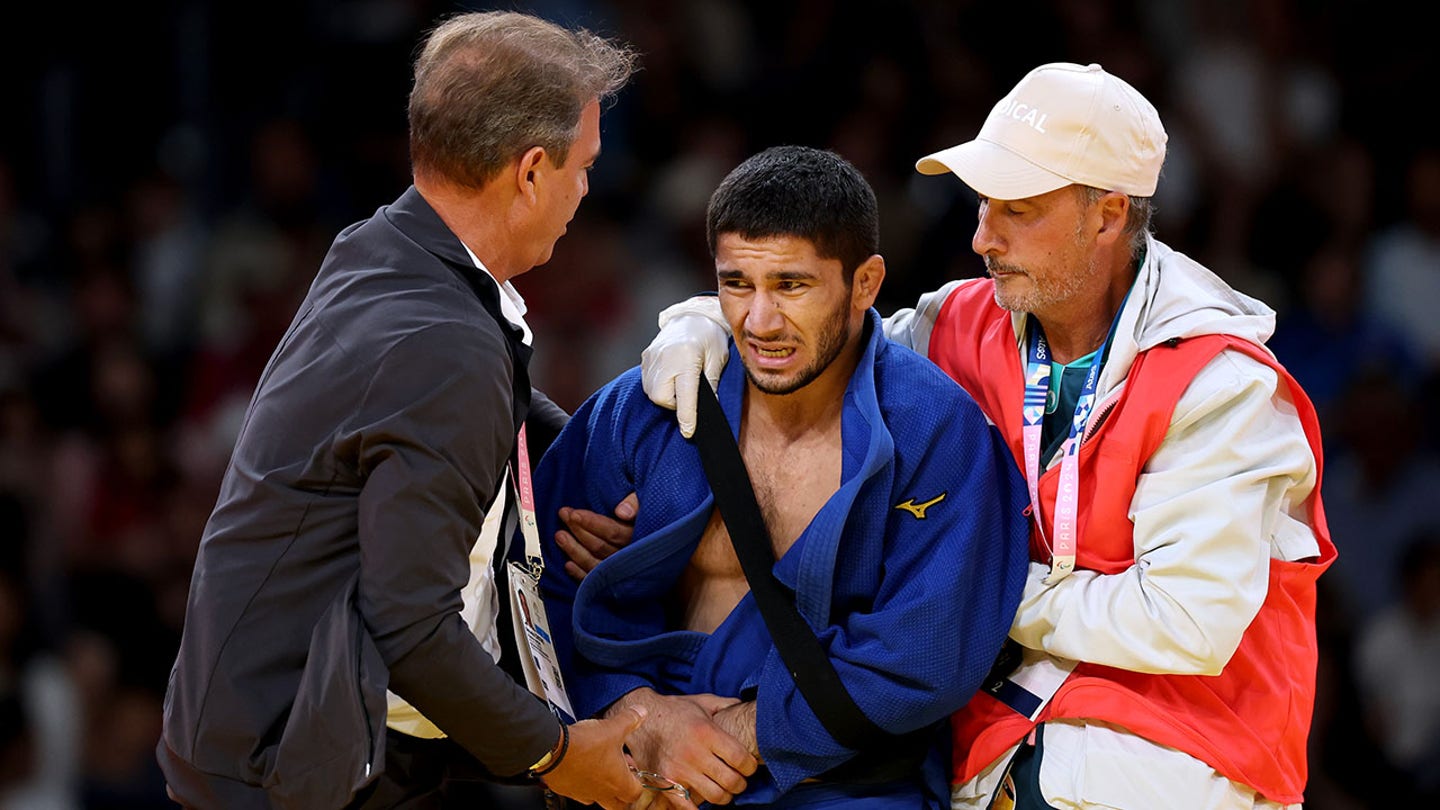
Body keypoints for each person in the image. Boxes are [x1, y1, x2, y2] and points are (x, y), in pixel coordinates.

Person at [636, 63, 1335, 809]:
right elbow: (819, 336)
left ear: (1107, 215)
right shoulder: (959, 324)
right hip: (990, 759)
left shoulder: (1221, 385)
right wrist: (696, 323)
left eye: (1018, 211)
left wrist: (956, 587)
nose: (981, 238)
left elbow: (1183, 622)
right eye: (982, 205)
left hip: (1176, 766)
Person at [157, 12, 649, 809]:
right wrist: (558, 758)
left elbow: (510, 411)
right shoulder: (443, 345)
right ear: (530, 172)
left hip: (284, 740)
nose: (586, 189)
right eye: (583, 166)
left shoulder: (385, 247)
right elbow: (411, 627)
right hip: (284, 777)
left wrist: (611, 469)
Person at [531, 145, 1031, 808]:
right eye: (737, 284)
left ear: (865, 282)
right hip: (645, 777)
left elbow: (929, 649)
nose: (759, 322)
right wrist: (638, 713)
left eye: (791, 285)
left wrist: (745, 731)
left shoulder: (936, 430)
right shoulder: (647, 407)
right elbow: (535, 592)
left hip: (845, 791)